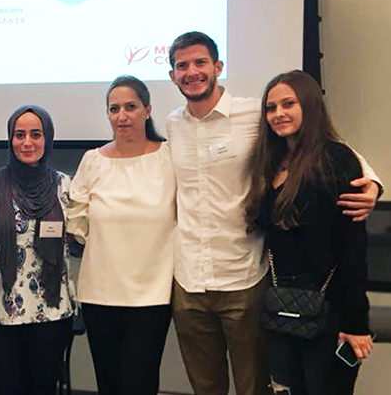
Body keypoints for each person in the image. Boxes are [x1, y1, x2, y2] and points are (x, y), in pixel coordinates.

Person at [165, 32, 381, 395]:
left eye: (200, 62)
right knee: (206, 386)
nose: (192, 72)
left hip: (245, 278)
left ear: (218, 66)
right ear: (172, 75)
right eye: (182, 65)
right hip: (189, 280)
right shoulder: (173, 124)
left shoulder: (254, 113)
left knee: (258, 386)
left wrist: (372, 182)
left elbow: (329, 148)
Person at [244, 71, 373, 394]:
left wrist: (356, 324)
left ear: (311, 106)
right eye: (271, 108)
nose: (278, 114)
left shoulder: (337, 159)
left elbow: (353, 248)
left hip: (329, 313)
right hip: (281, 310)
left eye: (289, 104)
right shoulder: (270, 163)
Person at [67, 76, 175, 395]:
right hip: (100, 294)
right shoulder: (93, 160)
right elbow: (77, 222)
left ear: (147, 110)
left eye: (130, 107)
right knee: (109, 383)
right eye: (114, 109)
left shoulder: (169, 158)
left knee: (139, 383)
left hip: (152, 294)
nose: (122, 116)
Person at [0, 105, 76, 395]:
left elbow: (77, 244)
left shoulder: (65, 186)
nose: (27, 142)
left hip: (51, 313)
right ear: (10, 139)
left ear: (47, 138)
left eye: (36, 134)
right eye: (19, 134)